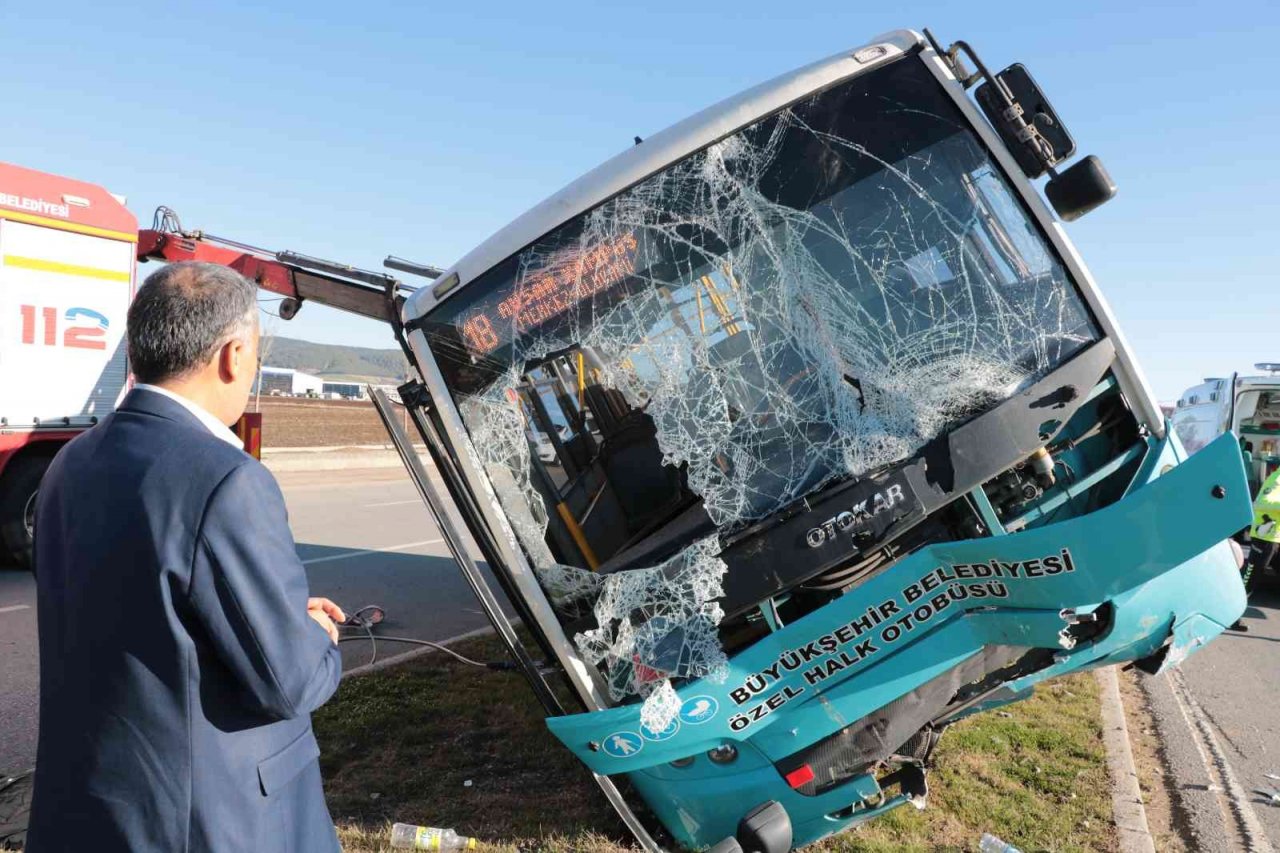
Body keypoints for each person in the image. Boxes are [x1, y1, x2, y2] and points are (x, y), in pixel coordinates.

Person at [27, 262, 345, 852]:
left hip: (89, 809)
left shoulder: (68, 463)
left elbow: (143, 602)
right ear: (233, 354)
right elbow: (289, 682)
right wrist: (316, 633)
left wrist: (270, 612)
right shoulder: (228, 478)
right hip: (207, 820)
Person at [1230, 465, 1280, 633]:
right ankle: (1232, 616)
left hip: (1277, 538)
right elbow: (1260, 503)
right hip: (1265, 538)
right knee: (1249, 580)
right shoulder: (1277, 478)